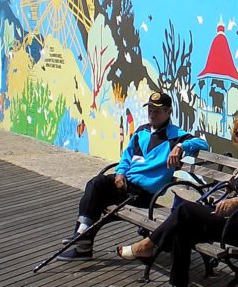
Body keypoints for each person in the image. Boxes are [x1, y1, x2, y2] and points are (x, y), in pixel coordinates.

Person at [117, 110, 238, 287]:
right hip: (227, 220)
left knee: (185, 210)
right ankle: (177, 283)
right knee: (182, 229)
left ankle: (146, 245)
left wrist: (235, 201)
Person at [57, 91, 210, 261]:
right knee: (96, 184)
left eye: (157, 111)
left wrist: (181, 146)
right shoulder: (141, 131)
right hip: (126, 185)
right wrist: (121, 173)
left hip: (144, 195)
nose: (152, 114)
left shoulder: (176, 135)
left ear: (168, 112)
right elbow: (127, 156)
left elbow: (203, 144)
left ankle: (82, 243)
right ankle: (82, 235)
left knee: (98, 195)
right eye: (150, 109)